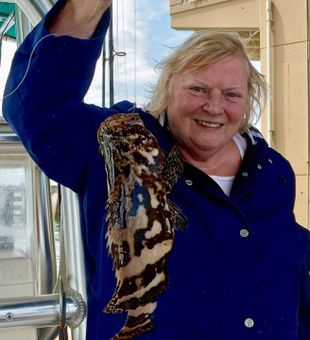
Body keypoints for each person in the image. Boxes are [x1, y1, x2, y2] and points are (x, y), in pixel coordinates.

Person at [2, 0, 310, 339]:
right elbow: (36, 109)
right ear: (168, 87)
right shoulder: (117, 140)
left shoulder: (273, 171)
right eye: (198, 89)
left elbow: (288, 272)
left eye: (232, 94)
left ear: (247, 100)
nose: (214, 106)